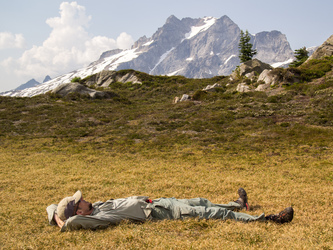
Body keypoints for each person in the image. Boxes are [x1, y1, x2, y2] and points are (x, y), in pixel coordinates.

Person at [46, 188, 294, 232]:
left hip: (159, 202)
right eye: (80, 201)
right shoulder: (96, 217)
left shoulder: (96, 207)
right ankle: (270, 219)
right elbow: (70, 224)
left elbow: (49, 208)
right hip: (161, 214)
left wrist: (54, 214)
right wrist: (62, 221)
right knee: (215, 215)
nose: (85, 199)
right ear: (78, 212)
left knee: (202, 202)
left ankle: (239, 204)